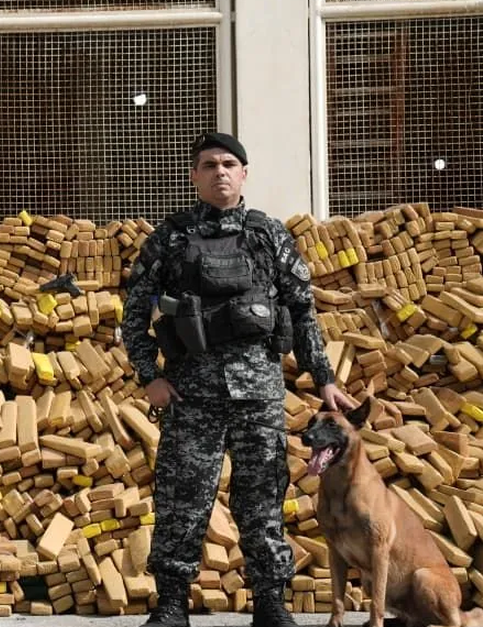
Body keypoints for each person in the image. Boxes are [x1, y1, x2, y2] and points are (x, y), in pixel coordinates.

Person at [120, 132, 355, 627]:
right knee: (182, 500)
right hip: (191, 394)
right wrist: (148, 377)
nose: (220, 172)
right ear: (194, 175)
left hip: (260, 394)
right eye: (209, 165)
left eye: (229, 163)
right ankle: (170, 605)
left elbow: (302, 310)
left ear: (244, 173)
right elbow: (133, 312)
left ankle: (270, 602)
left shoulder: (268, 234)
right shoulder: (171, 238)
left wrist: (325, 377)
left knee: (263, 499)